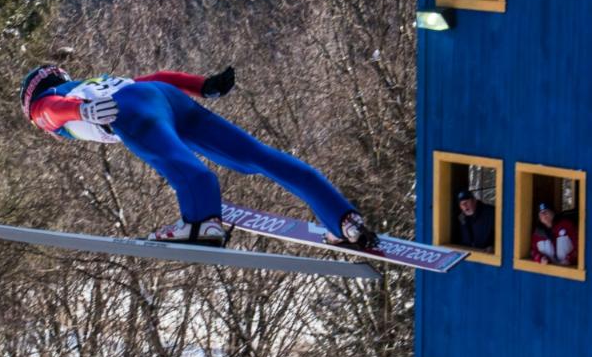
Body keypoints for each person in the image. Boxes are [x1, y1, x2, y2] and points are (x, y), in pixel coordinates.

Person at [19, 65, 377, 248]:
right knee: (257, 156)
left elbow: (47, 111)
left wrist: (80, 111)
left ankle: (201, 222)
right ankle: (343, 220)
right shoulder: (94, 80)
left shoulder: (45, 104)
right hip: (162, 96)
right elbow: (156, 78)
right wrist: (204, 85)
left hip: (128, 109)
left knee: (186, 167)